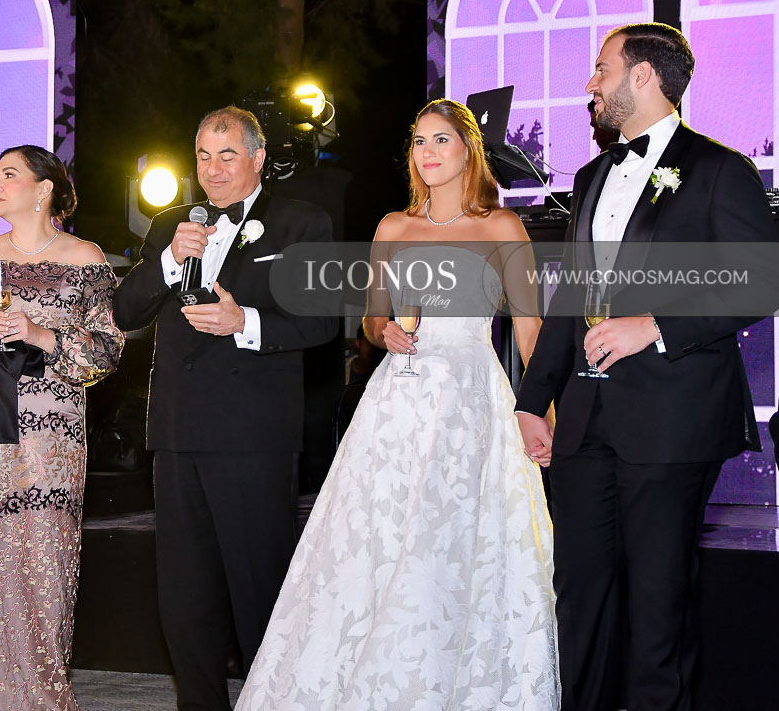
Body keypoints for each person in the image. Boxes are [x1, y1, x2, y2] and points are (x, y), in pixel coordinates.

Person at [234, 99, 558, 710]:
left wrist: (541, 412)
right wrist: (383, 332)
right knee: (376, 539)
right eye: (418, 141)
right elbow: (371, 318)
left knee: (452, 541)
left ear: (468, 148)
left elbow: (529, 329)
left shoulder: (501, 227)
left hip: (469, 402)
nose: (427, 152)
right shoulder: (393, 227)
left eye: (441, 140)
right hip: (396, 404)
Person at [515, 22, 777, 711]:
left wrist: (656, 325)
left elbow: (760, 283)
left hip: (672, 421)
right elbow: (572, 297)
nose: (590, 84)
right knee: (580, 598)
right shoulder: (591, 177)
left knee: (659, 607)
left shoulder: (719, 170)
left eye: (602, 69)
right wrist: (532, 399)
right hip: (584, 425)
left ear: (643, 76)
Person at [113, 106, 339, 711]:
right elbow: (124, 311)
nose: (212, 169)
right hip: (177, 429)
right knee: (185, 596)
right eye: (204, 157)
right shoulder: (172, 224)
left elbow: (323, 322)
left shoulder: (303, 222)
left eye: (228, 155)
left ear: (258, 158)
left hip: (251, 434)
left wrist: (246, 322)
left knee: (259, 587)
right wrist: (168, 260)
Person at [0, 145, 123, 710]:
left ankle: (38, 695)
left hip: (51, 437)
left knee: (43, 559)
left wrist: (39, 335)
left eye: (8, 174)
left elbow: (108, 351)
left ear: (43, 189)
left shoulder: (85, 258)